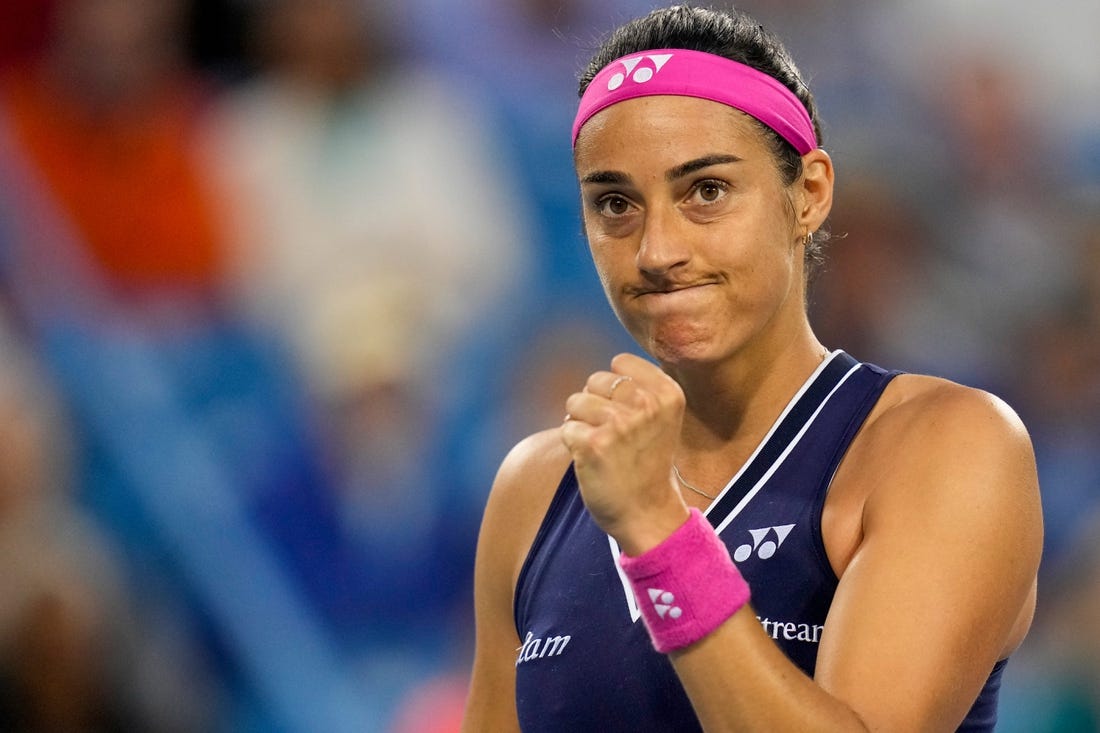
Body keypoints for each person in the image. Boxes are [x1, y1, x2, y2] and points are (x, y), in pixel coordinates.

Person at [461, 5, 1042, 732]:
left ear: (810, 193)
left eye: (705, 191)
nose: (657, 250)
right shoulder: (535, 488)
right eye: (615, 204)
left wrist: (659, 532)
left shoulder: (947, 445)